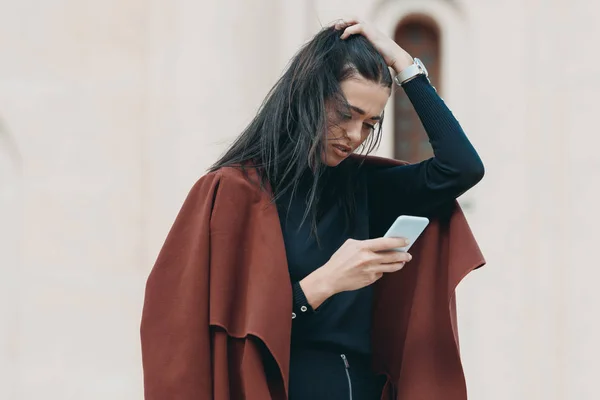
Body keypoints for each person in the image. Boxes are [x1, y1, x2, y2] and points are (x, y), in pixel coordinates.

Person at [140, 18, 485, 400]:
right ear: (308, 96)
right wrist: (326, 282)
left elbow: (462, 168)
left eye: (370, 125)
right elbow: (209, 334)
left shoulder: (364, 187)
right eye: (346, 114)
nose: (355, 136)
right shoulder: (234, 194)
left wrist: (404, 64)